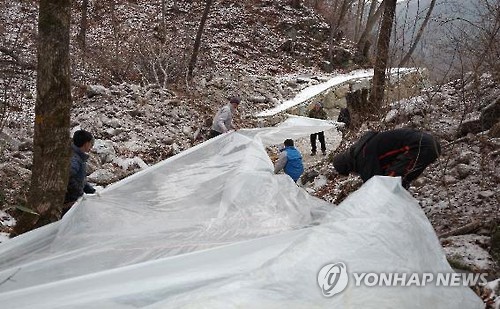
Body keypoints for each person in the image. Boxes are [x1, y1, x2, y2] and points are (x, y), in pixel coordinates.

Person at [332, 128, 441, 189]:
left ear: (348, 166)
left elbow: (375, 186)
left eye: (350, 172)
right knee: (398, 180)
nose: (354, 174)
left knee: (389, 183)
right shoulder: (363, 148)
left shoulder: (363, 158)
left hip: (419, 147)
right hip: (428, 143)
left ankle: (393, 217)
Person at [64, 130, 96, 209]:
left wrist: (92, 191)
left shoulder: (78, 156)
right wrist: (80, 193)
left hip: (74, 200)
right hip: (70, 202)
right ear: (86, 143)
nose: (91, 146)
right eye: (90, 143)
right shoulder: (75, 159)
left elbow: (79, 179)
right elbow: (68, 177)